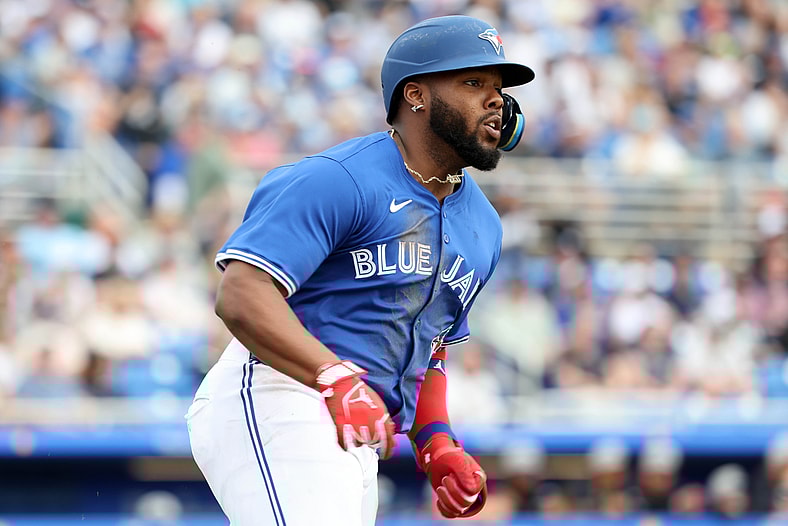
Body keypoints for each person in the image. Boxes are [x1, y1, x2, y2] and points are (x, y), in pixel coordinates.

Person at [185, 14, 535, 525]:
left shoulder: (484, 226)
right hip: (282, 390)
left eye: (499, 88)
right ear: (415, 94)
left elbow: (429, 351)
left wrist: (436, 441)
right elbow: (241, 294)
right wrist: (332, 378)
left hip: (360, 423)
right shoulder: (338, 179)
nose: (496, 100)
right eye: (473, 82)